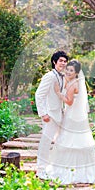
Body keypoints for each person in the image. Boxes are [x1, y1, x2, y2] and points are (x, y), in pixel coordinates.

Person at [43, 60, 95, 184]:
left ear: (77, 72)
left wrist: (58, 93)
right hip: (77, 116)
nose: (68, 72)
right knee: (75, 141)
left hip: (72, 117)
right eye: (67, 69)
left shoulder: (73, 84)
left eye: (71, 70)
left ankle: (69, 171)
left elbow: (69, 102)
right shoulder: (75, 82)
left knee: (70, 141)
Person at [35, 50, 68, 179]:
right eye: (60, 61)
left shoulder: (63, 76)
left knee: (61, 141)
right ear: (54, 62)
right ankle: (41, 169)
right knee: (46, 142)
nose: (63, 63)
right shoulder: (49, 76)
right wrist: (43, 114)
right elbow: (39, 94)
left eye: (65, 61)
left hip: (60, 114)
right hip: (50, 116)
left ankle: (56, 167)